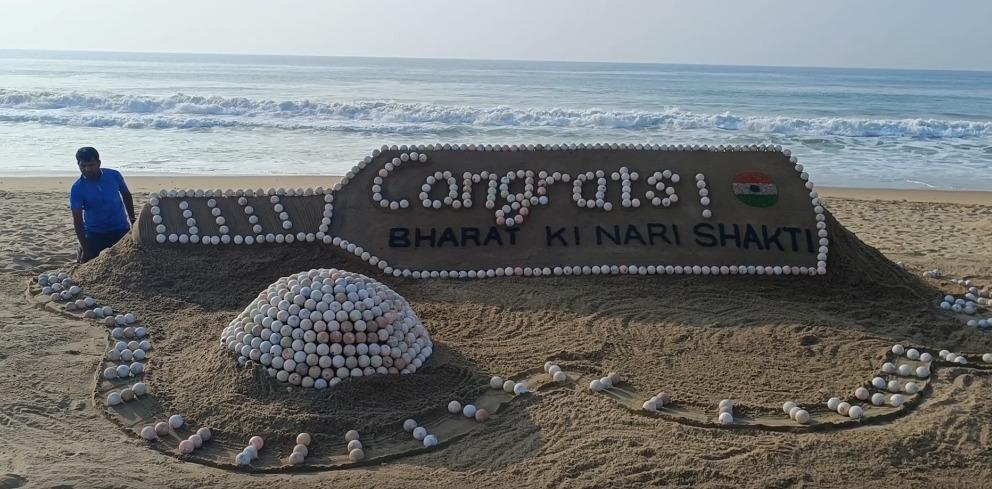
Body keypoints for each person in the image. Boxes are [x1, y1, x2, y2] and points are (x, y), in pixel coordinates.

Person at [70, 147, 136, 263]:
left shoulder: (114, 175)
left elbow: (126, 195)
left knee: (131, 260)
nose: (87, 169)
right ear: (78, 165)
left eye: (91, 165)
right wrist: (85, 246)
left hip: (120, 229)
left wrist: (133, 220)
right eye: (83, 166)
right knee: (83, 262)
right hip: (95, 233)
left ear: (99, 163)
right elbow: (78, 220)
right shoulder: (77, 188)